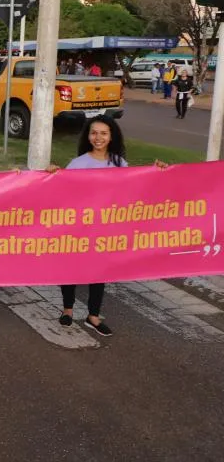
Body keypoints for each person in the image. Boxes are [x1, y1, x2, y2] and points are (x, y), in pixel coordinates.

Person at [46, 116, 167, 337]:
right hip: (78, 229)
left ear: (111, 136)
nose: (98, 137)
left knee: (98, 272)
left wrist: (157, 172)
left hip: (104, 230)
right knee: (70, 270)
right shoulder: (78, 163)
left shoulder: (119, 164)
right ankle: (68, 310)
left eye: (103, 133)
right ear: (88, 136)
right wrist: (54, 175)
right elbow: (63, 192)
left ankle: (93, 316)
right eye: (94, 133)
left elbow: (136, 186)